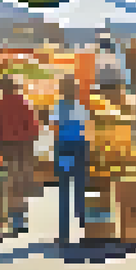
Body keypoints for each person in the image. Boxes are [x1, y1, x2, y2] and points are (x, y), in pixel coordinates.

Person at [0, 75, 39, 236]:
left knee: (9, 184)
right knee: (22, 183)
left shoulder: (0, 105)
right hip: (24, 148)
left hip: (6, 148)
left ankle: (14, 219)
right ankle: (21, 218)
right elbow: (34, 129)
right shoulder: (25, 103)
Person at [51, 75, 92, 246]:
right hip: (80, 148)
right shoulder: (81, 107)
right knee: (80, 187)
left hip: (64, 148)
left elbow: (55, 128)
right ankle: (86, 228)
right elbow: (87, 129)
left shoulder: (58, 108)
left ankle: (64, 233)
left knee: (64, 189)